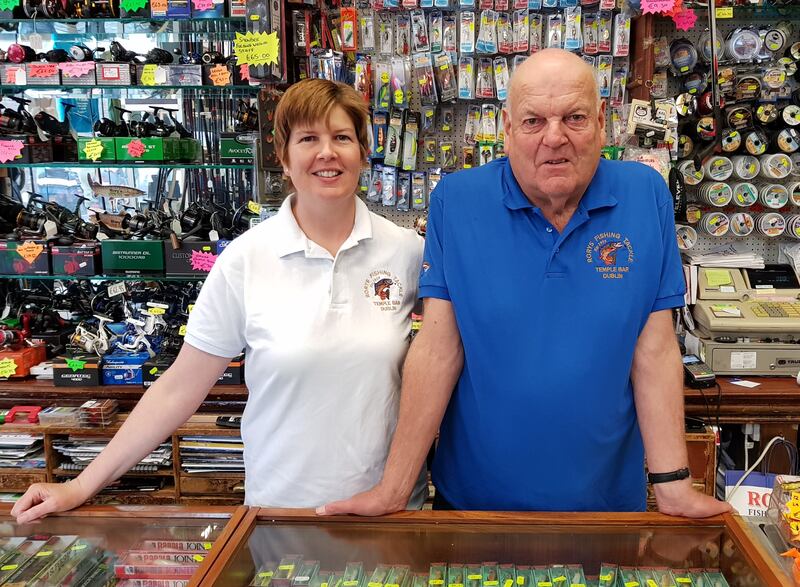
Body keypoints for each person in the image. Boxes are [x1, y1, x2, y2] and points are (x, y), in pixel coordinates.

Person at [319, 49, 733, 517]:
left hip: (607, 511)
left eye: (574, 118)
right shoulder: (457, 202)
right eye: (534, 121)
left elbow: (654, 350)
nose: (554, 138)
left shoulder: (645, 194)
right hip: (474, 510)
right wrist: (394, 490)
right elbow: (437, 349)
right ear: (508, 128)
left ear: (602, 120)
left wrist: (673, 484)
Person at [11, 79, 427, 523]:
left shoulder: (407, 252)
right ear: (283, 158)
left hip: (391, 511)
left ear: (364, 152)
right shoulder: (246, 260)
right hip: (280, 512)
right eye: (309, 138)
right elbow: (178, 388)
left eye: (342, 137)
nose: (327, 152)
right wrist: (80, 484)